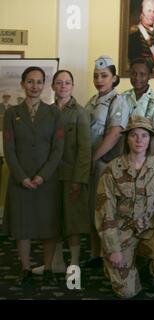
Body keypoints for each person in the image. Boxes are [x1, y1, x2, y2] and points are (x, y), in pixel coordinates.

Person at [95, 116, 154, 299]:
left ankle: (150, 272)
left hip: (151, 228)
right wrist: (113, 249)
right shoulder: (112, 170)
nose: (139, 140)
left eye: (144, 135)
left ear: (150, 139)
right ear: (126, 138)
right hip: (122, 231)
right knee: (127, 293)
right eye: (134, 135)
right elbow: (105, 212)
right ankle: (119, 264)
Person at [2, 66, 64, 287]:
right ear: (22, 84)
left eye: (39, 82)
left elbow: (58, 149)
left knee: (48, 226)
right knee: (23, 226)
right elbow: (8, 148)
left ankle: (47, 268)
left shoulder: (54, 113)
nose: (34, 86)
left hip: (46, 180)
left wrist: (42, 176)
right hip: (21, 180)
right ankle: (25, 268)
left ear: (44, 85)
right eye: (30, 81)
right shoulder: (11, 113)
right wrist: (21, 177)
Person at [31, 70, 91, 276]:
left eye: (67, 83)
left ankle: (73, 264)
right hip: (49, 175)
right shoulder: (45, 111)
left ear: (72, 86)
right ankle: (56, 261)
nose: (63, 86)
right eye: (59, 82)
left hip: (71, 175)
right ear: (53, 86)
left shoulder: (80, 113)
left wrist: (79, 180)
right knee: (51, 219)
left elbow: (85, 150)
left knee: (73, 222)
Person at [84, 55, 130, 268]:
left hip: (104, 164)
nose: (99, 79)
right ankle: (94, 253)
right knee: (92, 208)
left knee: (106, 211)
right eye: (96, 76)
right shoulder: (92, 101)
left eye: (104, 75)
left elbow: (114, 134)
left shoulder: (117, 101)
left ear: (114, 78)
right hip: (89, 163)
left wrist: (93, 159)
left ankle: (108, 255)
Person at [121, 58, 154, 159]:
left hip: (152, 148)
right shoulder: (122, 98)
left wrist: (142, 149)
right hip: (127, 148)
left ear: (149, 76)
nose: (137, 77)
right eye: (133, 73)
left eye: (142, 74)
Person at [128, 0, 154, 71]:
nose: (152, 14)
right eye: (149, 11)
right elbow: (133, 57)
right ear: (142, 13)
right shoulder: (134, 33)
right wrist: (152, 61)